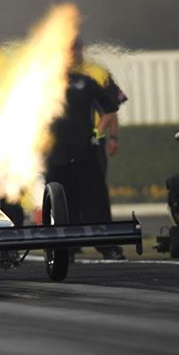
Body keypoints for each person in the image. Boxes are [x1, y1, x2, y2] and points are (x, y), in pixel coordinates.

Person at [45, 39, 121, 259]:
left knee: (95, 198)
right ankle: (64, 249)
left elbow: (110, 107)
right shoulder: (42, 85)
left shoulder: (85, 82)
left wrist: (98, 133)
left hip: (84, 152)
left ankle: (107, 246)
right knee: (60, 202)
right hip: (55, 154)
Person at [72, 39, 128, 259]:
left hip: (92, 141)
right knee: (64, 192)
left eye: (75, 47)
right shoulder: (52, 71)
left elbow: (112, 106)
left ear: (81, 49)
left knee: (96, 192)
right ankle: (68, 243)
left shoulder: (98, 72)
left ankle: (105, 243)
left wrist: (112, 136)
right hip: (63, 143)